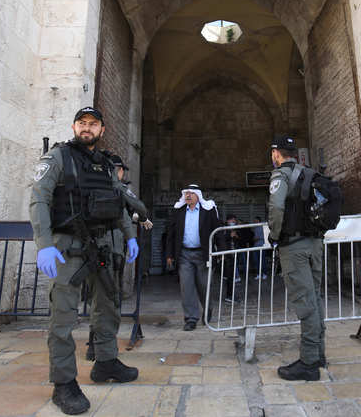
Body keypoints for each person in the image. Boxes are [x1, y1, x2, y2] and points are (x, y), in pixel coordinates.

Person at [29, 106, 141, 415]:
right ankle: (63, 383)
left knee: (108, 306)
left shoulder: (106, 165)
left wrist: (129, 236)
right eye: (82, 123)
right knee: (63, 316)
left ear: (102, 130)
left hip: (102, 245)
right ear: (74, 126)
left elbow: (119, 203)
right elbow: (39, 198)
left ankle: (105, 362)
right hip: (66, 246)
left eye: (93, 124)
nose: (87, 128)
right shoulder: (58, 157)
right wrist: (44, 244)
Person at [267, 135, 325, 382]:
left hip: (295, 247)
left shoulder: (280, 175)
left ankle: (309, 363)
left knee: (305, 302)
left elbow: (277, 208)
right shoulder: (309, 173)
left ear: (276, 154)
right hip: (315, 244)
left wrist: (274, 234)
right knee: (315, 298)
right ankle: (319, 353)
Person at [84, 153, 152, 362]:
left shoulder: (92, 187)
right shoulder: (116, 189)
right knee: (109, 300)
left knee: (98, 298)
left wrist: (133, 220)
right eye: (120, 169)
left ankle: (94, 344)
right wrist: (140, 218)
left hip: (96, 250)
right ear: (117, 170)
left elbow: (122, 214)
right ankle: (101, 346)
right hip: (109, 252)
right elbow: (137, 207)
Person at [166, 184, 221, 330]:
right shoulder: (179, 211)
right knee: (186, 287)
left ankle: (207, 309)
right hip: (184, 254)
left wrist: (221, 251)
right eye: (186, 193)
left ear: (198, 195)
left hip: (203, 254)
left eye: (191, 193)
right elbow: (170, 233)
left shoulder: (208, 211)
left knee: (204, 285)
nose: (188, 196)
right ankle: (191, 318)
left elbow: (218, 232)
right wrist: (169, 254)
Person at [251, 216, 269, 280]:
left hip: (261, 246)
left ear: (258, 220)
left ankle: (264, 274)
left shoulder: (262, 227)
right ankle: (258, 274)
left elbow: (260, 237)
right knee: (256, 261)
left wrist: (255, 239)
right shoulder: (255, 228)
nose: (254, 221)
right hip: (255, 246)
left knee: (262, 260)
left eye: (255, 220)